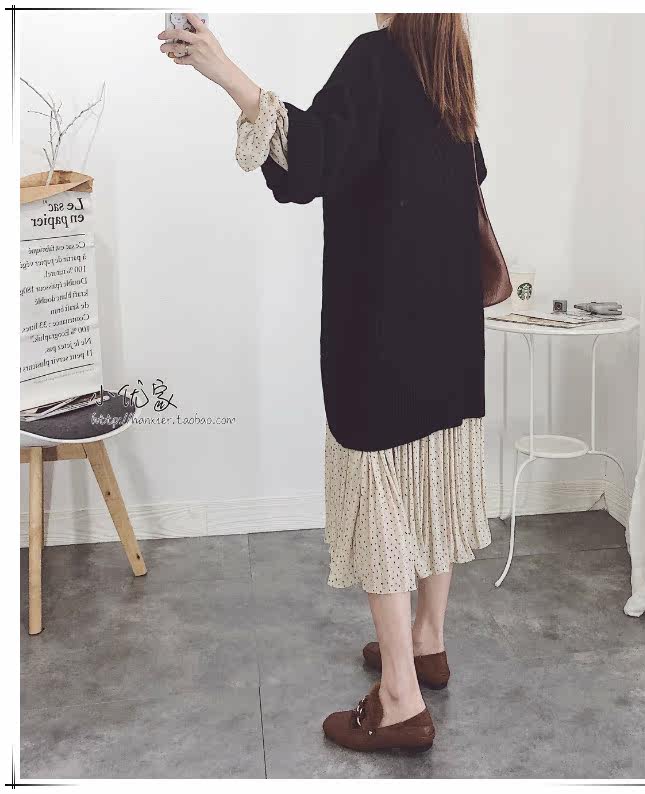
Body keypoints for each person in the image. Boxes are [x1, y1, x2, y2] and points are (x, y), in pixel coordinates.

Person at [158, 12, 492, 754]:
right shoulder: (451, 65)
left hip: (383, 331)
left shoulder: (377, 56)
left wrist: (224, 70)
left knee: (380, 495)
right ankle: (428, 641)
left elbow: (310, 160)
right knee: (431, 481)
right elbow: (458, 177)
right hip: (448, 324)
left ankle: (400, 699)